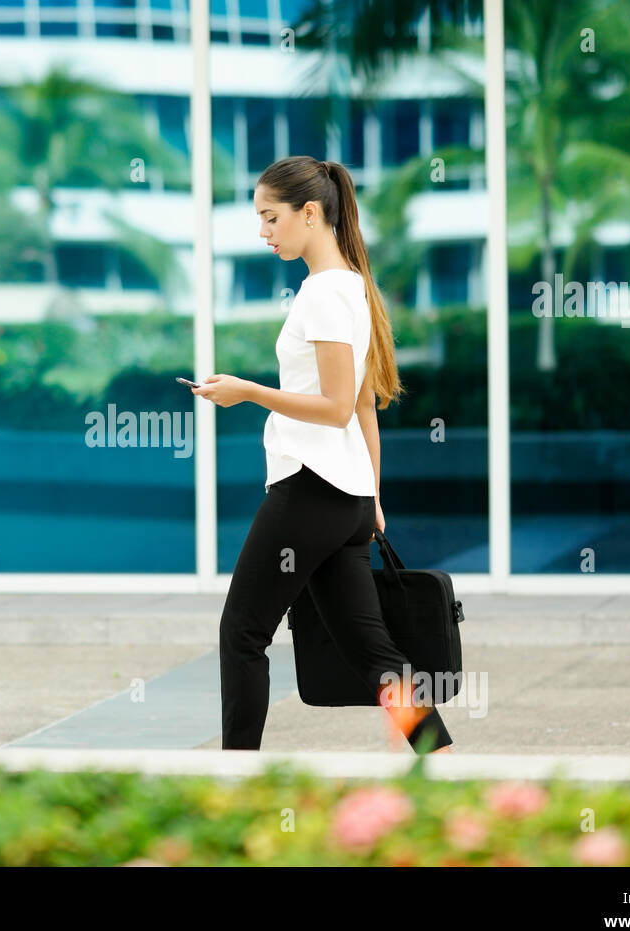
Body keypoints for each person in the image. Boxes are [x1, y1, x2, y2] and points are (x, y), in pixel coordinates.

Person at [191, 156, 452, 754]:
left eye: (270, 217)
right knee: (371, 650)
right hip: (346, 496)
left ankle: (236, 776)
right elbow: (363, 407)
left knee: (242, 633)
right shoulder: (350, 288)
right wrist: (372, 496)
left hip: (311, 490)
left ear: (310, 213)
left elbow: (337, 406)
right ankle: (436, 759)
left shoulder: (325, 294)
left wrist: (248, 392)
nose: (263, 232)